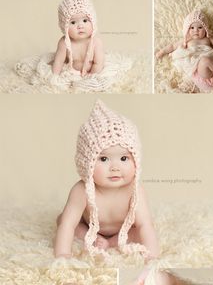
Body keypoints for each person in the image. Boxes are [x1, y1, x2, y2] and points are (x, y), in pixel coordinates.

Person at [54, 100, 159, 259]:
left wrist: (152, 256)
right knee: (64, 221)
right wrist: (62, 254)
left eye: (124, 158)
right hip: (90, 229)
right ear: (87, 162)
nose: (115, 167)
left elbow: (145, 224)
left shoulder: (134, 190)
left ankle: (113, 242)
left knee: (143, 229)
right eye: (103, 159)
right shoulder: (81, 190)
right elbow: (68, 225)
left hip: (124, 230)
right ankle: (96, 240)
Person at [156, 10, 213, 92]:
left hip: (211, 67)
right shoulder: (187, 40)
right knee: (204, 61)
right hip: (200, 72)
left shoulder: (208, 39)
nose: (196, 30)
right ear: (187, 29)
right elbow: (172, 46)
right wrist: (162, 52)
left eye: (200, 27)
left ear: (205, 29)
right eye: (192, 28)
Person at [52, 0, 104, 77]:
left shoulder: (96, 42)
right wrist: (54, 77)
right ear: (64, 26)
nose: (80, 26)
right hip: (72, 74)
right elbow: (59, 62)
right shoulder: (64, 42)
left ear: (93, 21)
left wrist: (91, 77)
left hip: (91, 73)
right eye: (73, 22)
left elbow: (98, 64)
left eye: (85, 20)